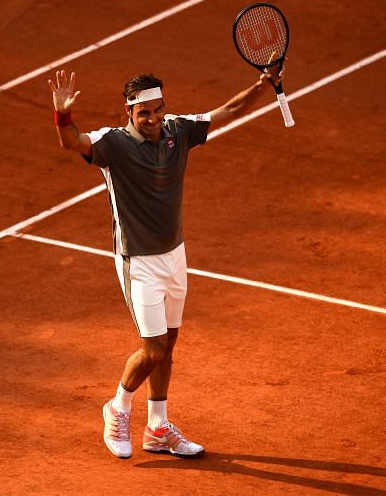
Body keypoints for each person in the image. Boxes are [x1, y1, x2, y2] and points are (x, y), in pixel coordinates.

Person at [48, 62, 284, 459]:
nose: (154, 118)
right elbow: (72, 142)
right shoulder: (113, 144)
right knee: (153, 348)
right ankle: (117, 407)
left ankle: (157, 427)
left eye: (158, 109)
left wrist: (263, 84)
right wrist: (62, 113)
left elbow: (228, 110)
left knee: (169, 343)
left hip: (175, 256)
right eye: (144, 112)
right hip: (138, 263)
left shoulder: (178, 130)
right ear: (129, 112)